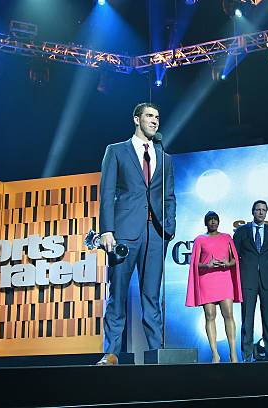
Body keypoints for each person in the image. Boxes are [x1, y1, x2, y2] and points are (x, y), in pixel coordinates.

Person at [97, 102, 176, 365]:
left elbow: (169, 196)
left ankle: (157, 353)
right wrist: (107, 229)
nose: (155, 121)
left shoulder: (164, 156)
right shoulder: (116, 151)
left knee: (151, 297)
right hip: (124, 233)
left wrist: (169, 228)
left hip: (155, 234)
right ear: (136, 119)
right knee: (117, 295)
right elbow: (107, 192)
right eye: (149, 116)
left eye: (157, 116)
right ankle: (112, 354)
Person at [186, 211, 242, 363]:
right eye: (210, 220)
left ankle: (233, 353)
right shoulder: (200, 239)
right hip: (207, 279)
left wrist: (226, 263)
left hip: (224, 279)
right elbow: (194, 264)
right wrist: (207, 265)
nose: (213, 222)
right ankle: (215, 354)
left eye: (215, 220)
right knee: (210, 316)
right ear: (206, 222)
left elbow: (234, 260)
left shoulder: (226, 238)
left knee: (229, 314)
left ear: (219, 222)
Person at [233, 200, 268, 362]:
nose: (261, 212)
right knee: (247, 320)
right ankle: (246, 356)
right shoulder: (241, 231)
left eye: (263, 210)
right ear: (252, 212)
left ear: (266, 212)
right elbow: (235, 255)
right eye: (258, 209)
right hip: (248, 281)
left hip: (267, 281)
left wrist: (266, 269)